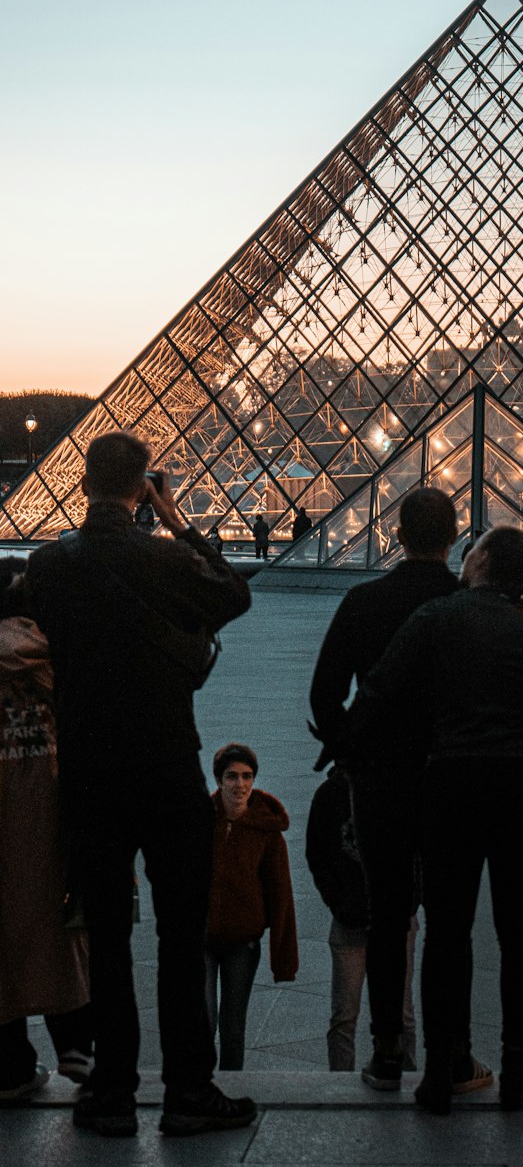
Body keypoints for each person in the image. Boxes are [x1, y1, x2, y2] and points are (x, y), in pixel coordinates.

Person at [24, 431, 254, 1138]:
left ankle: (113, 1093)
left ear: (82, 482)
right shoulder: (164, 557)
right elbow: (235, 595)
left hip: (89, 772)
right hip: (165, 769)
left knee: (108, 937)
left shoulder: (47, 566)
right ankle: (188, 1088)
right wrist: (181, 521)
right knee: (183, 937)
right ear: (143, 488)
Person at [349, 527, 523, 1114]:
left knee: (447, 932)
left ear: (482, 561)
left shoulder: (436, 617)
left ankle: (438, 1073)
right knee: (522, 930)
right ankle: (515, 1070)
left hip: (452, 782)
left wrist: (348, 747)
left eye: (473, 550)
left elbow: (380, 689)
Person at [309, 487, 488, 1096]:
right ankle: (451, 1055)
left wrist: (354, 757)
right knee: (450, 923)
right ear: (456, 534)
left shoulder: (363, 601)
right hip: (454, 779)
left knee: (387, 918)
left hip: (380, 781)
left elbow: (323, 697)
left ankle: (386, 1053)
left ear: (396, 531)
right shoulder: (468, 603)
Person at [0, 560, 92, 1101]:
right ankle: (77, 1045)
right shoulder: (63, 657)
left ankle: (10, 1065)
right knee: (71, 936)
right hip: (61, 819)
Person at [306, 765, 418, 1072]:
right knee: (346, 1015)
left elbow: (417, 850)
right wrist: (340, 905)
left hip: (395, 918)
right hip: (351, 920)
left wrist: (409, 903)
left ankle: (404, 1076)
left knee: (402, 1013)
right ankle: (343, 1082)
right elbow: (317, 854)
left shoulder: (396, 787)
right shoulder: (330, 795)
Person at [205, 744, 298, 1070]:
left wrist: (283, 957)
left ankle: (231, 1085)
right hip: (202, 938)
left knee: (233, 1025)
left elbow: (280, 893)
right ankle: (202, 1084)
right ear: (218, 780)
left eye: (247, 776)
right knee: (204, 1019)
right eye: (232, 776)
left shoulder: (266, 831)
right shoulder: (201, 821)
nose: (240, 784)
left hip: (242, 942)